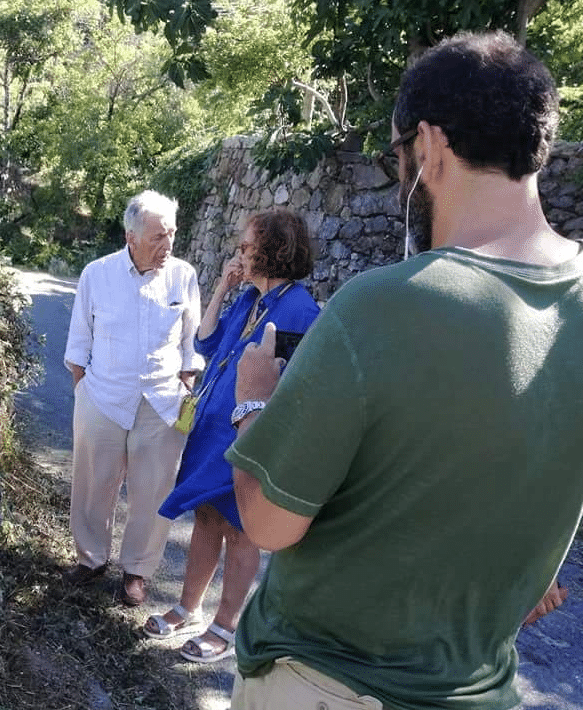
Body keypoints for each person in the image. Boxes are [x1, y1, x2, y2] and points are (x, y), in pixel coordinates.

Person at [225, 31, 583, 710]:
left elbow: (269, 525)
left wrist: (254, 403)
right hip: (483, 690)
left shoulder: (385, 305)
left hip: (327, 684)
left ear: (430, 146)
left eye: (397, 156)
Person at [144, 209, 319, 663]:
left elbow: (292, 387)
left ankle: (225, 627)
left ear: (274, 250)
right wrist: (223, 287)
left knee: (242, 531)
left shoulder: (300, 310)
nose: (239, 251)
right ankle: (189, 607)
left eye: (246, 245)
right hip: (209, 432)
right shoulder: (249, 300)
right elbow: (204, 343)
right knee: (205, 518)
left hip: (250, 438)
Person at [63, 189, 206, 606]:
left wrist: (186, 384)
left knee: (153, 491)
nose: (168, 245)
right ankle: (91, 560)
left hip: (161, 402)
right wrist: (83, 392)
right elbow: (78, 344)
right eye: (159, 236)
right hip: (103, 397)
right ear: (131, 236)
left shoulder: (184, 275)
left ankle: (137, 571)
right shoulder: (97, 274)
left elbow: (189, 342)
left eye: (172, 234)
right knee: (93, 486)